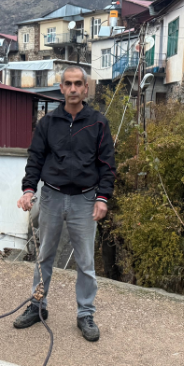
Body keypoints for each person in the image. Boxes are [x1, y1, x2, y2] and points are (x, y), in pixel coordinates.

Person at [14, 66, 116, 342]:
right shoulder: (47, 123)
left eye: (78, 84)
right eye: (68, 84)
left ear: (85, 88)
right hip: (52, 197)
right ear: (61, 89)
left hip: (85, 199)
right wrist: (28, 190)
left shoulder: (98, 123)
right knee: (44, 255)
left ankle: (85, 314)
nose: (73, 89)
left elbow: (107, 164)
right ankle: (37, 306)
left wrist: (103, 197)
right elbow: (35, 158)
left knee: (85, 261)